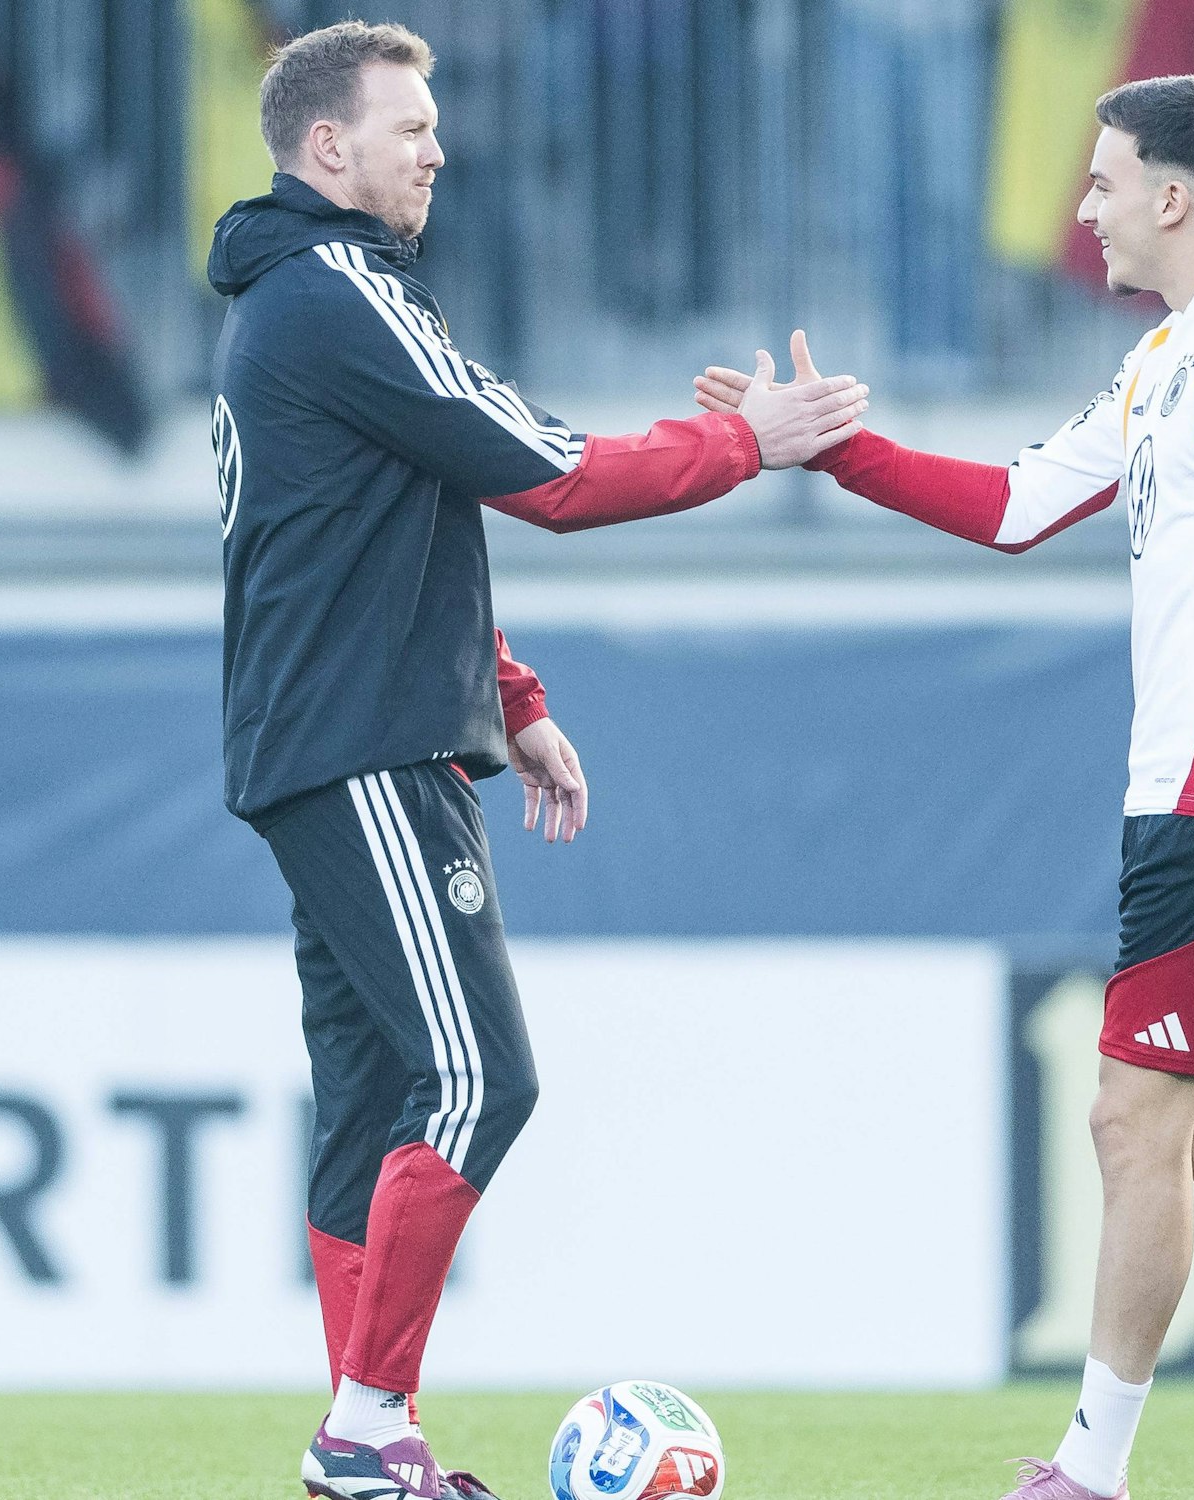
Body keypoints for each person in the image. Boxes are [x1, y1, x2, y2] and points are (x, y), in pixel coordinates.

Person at [696, 73, 1194, 1500]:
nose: (1085, 204)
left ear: (1174, 195)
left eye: (1103, 179)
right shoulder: (1169, 355)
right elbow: (1016, 506)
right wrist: (826, 444)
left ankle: (1092, 1471)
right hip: (1178, 782)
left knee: (1132, 1116)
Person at [208, 21, 867, 1500]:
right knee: (476, 1077)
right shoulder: (334, 293)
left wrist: (505, 692)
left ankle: (372, 1442)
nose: (439, 145)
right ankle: (363, 1432)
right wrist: (747, 444)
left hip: (336, 734)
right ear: (330, 148)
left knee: (374, 1109)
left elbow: (379, 528)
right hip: (364, 743)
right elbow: (552, 474)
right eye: (410, 124)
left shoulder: (305, 299)